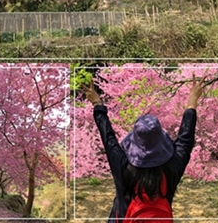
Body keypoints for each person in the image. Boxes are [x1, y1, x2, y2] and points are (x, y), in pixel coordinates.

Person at [83, 74, 204, 222]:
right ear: (160, 139)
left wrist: (97, 103)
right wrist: (192, 101)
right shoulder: (173, 166)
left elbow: (108, 138)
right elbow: (186, 139)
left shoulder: (122, 165)